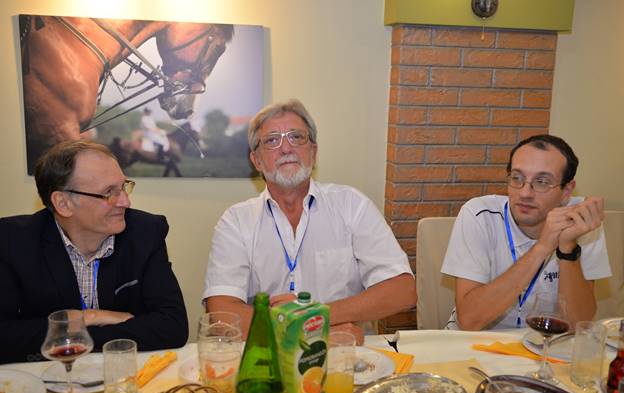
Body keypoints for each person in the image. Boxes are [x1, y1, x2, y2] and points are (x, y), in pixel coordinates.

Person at [202, 99, 416, 344]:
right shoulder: (235, 222)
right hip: (269, 360)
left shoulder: (351, 205)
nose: (286, 148)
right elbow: (222, 314)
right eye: (272, 140)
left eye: (296, 137)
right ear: (257, 161)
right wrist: (311, 333)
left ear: (313, 152)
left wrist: (317, 315)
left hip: (346, 361)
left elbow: (402, 290)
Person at [0, 140, 188, 363]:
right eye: (109, 192)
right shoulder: (12, 240)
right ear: (63, 203)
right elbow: (5, 337)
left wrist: (65, 334)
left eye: (123, 187)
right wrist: (87, 318)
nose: (125, 201)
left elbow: (172, 326)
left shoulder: (146, 233)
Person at [441, 134, 611, 331]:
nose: (525, 193)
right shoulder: (479, 215)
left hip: (544, 343)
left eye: (542, 181)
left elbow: (577, 324)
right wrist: (542, 248)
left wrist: (567, 250)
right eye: (517, 178)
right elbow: (469, 320)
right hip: (475, 343)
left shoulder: (581, 221)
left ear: (566, 191)